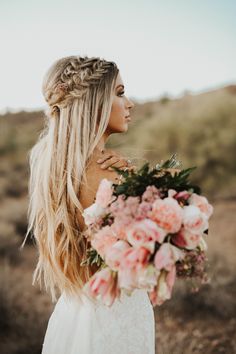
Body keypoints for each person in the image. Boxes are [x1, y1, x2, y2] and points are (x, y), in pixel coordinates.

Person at [23, 55, 156, 354]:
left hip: (76, 311)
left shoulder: (60, 169)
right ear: (94, 104)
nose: (130, 103)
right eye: (120, 93)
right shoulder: (107, 173)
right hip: (114, 316)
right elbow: (141, 257)